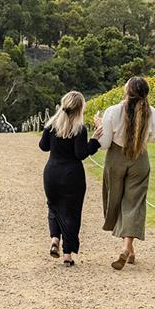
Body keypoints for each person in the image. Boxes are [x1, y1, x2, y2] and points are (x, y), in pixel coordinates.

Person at [95, 76, 155, 270]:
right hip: (140, 158)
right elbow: (152, 136)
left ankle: (127, 248)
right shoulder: (152, 113)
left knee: (114, 199)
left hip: (116, 158)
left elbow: (104, 144)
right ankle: (128, 249)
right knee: (134, 203)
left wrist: (98, 125)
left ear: (127, 91)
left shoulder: (112, 111)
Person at [39, 91, 103, 266]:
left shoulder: (51, 125)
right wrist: (95, 140)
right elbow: (81, 153)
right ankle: (67, 254)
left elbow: (43, 146)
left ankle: (54, 239)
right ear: (80, 108)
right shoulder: (79, 129)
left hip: (51, 173)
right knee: (72, 213)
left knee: (53, 208)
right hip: (72, 175)